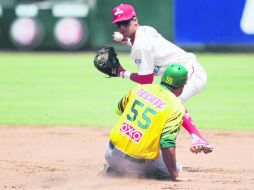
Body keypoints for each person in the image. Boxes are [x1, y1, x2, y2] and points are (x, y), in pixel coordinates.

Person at [111, 3, 212, 154]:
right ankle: (193, 138)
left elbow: (146, 80)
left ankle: (197, 137)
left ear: (135, 21)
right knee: (165, 104)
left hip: (190, 73)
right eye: (119, 24)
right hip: (178, 74)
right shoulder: (146, 30)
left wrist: (122, 72)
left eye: (125, 23)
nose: (122, 27)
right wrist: (128, 41)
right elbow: (143, 44)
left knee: (170, 104)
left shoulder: (141, 46)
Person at [105, 64, 188, 180]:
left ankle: (113, 169)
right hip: (135, 165)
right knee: (176, 167)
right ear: (181, 87)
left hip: (110, 154)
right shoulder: (176, 106)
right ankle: (131, 173)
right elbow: (167, 144)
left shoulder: (139, 88)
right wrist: (174, 174)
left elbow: (119, 110)